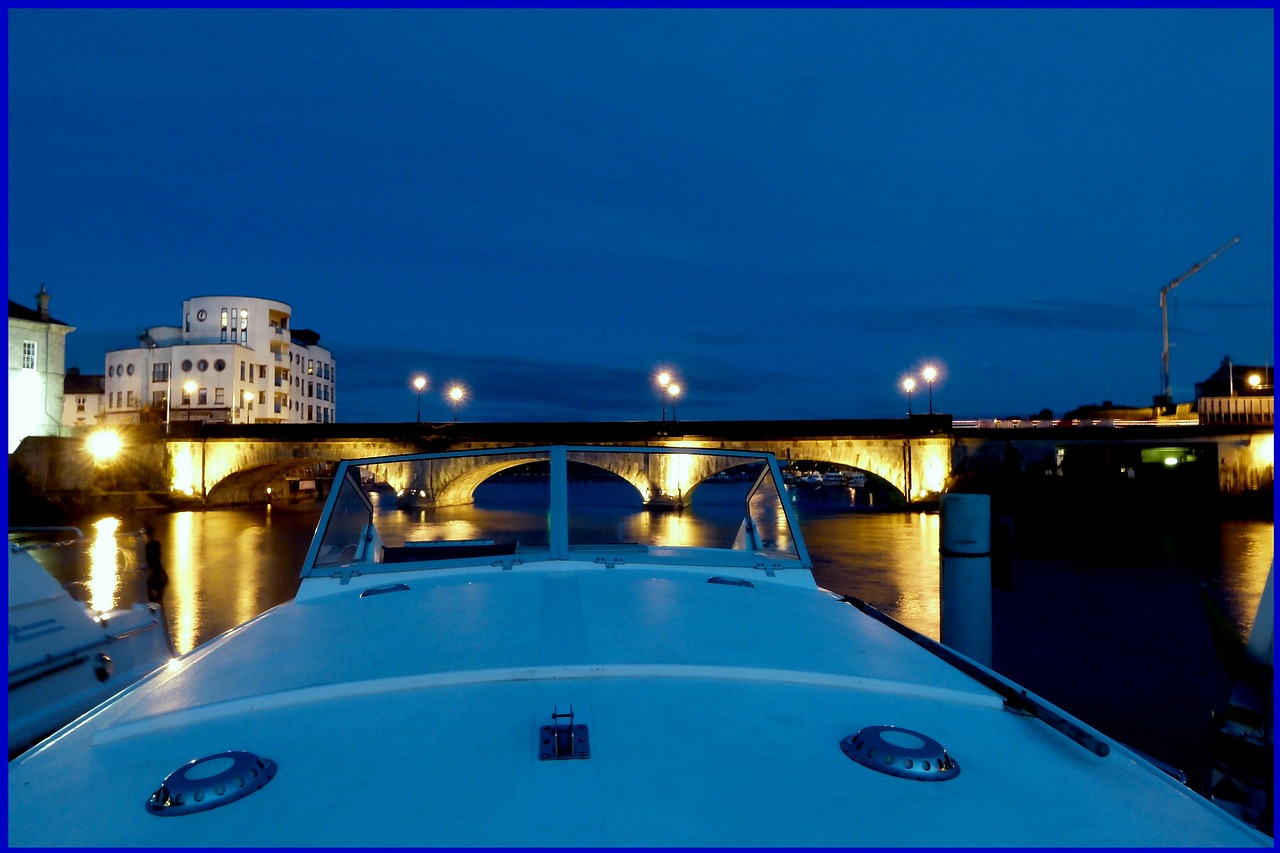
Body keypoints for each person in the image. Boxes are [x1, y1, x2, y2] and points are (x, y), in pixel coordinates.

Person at [142, 524, 169, 602]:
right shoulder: (148, 546)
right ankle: (155, 603)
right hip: (153, 569)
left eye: (149, 535)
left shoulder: (154, 544)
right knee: (151, 587)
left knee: (156, 588)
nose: (148, 537)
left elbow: (156, 559)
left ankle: (156, 603)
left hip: (155, 569)